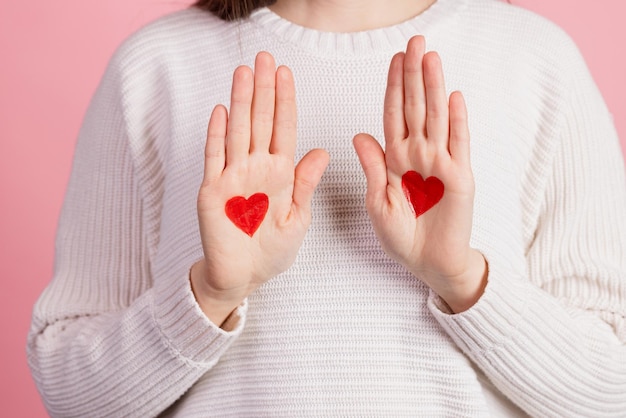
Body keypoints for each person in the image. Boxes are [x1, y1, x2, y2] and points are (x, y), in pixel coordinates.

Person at [27, 0, 626, 416]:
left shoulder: (536, 61)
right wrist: (209, 296)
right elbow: (71, 392)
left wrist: (465, 281)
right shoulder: (155, 68)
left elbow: (611, 390)